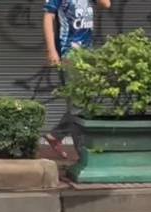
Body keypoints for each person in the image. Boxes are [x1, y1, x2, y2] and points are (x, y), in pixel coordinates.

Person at [42, 0, 111, 158]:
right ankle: (84, 153)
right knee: (78, 106)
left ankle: (56, 135)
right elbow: (48, 17)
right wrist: (51, 50)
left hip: (87, 54)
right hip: (69, 53)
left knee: (84, 102)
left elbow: (106, 4)